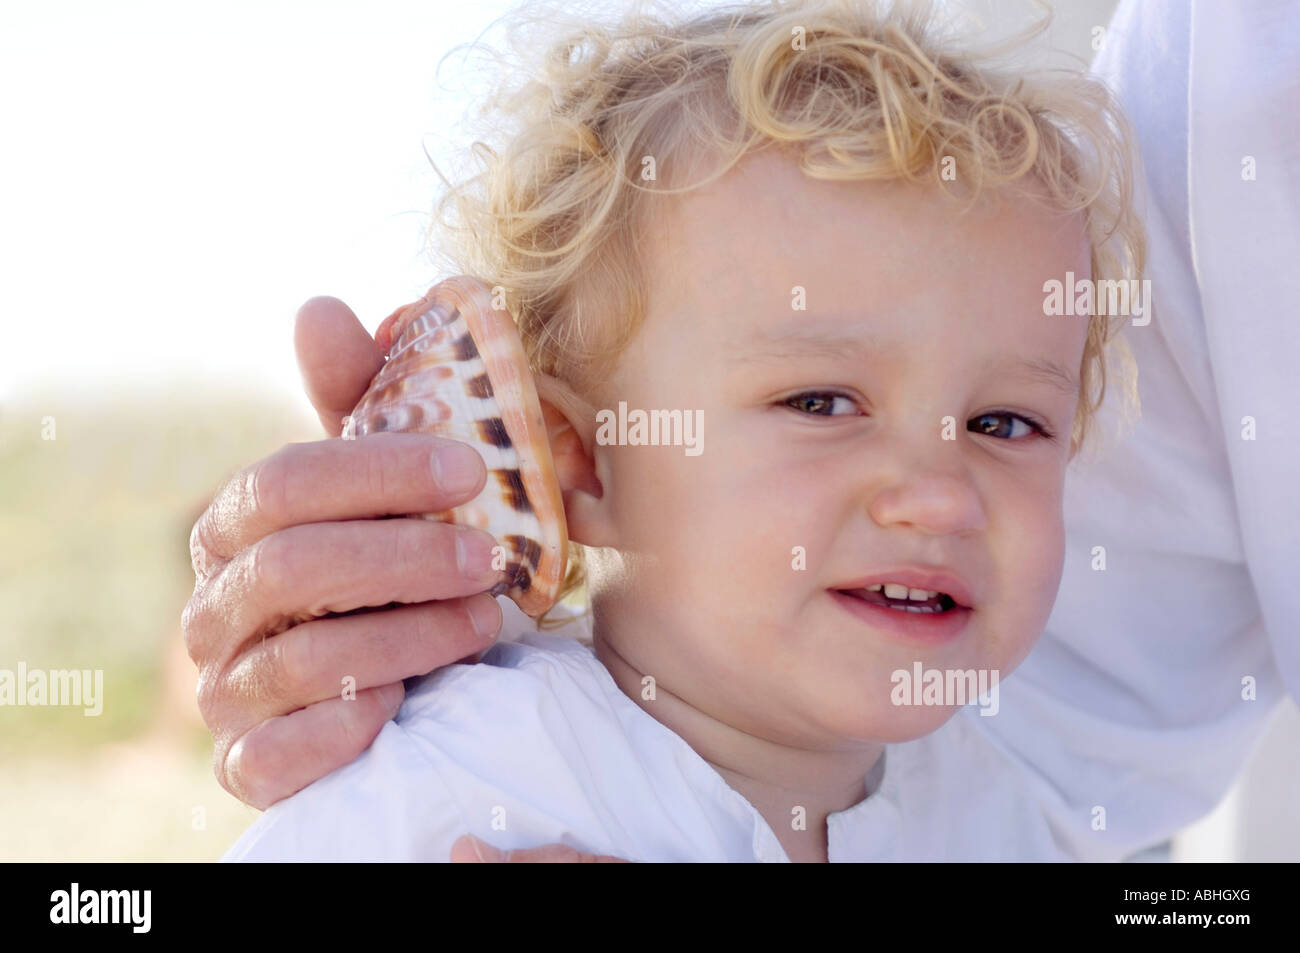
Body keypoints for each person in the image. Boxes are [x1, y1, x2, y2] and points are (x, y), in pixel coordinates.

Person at [204, 0, 1146, 862]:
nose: (942, 491)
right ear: (582, 464)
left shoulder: (1003, 816)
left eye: (1005, 421)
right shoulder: (463, 783)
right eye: (820, 403)